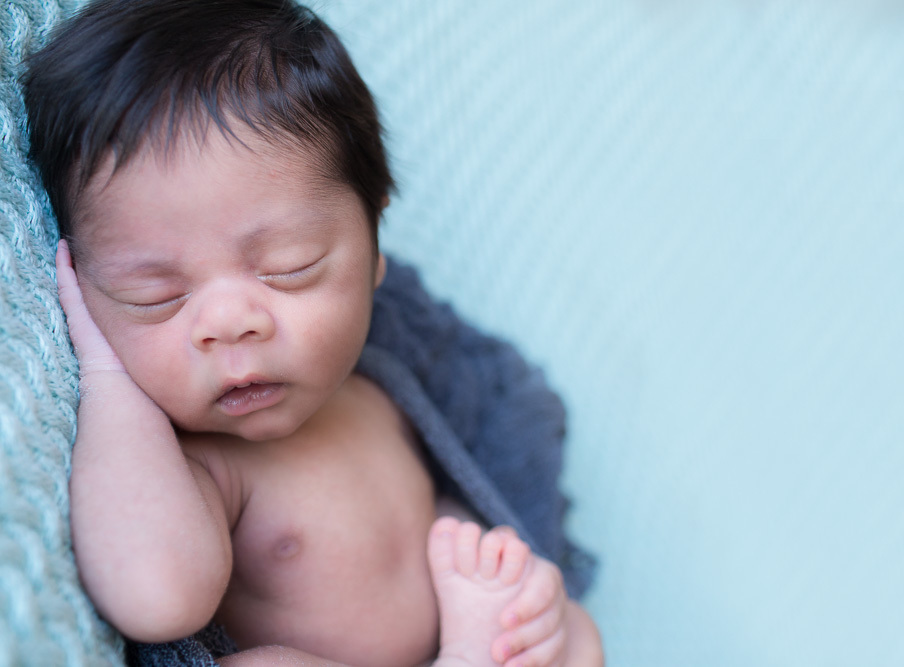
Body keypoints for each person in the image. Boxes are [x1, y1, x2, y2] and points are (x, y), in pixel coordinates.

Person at [21, 0, 603, 665]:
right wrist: (105, 373)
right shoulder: (200, 467)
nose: (228, 323)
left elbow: (460, 519)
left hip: (457, 643)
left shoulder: (385, 391)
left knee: (573, 627)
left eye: (287, 268)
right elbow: (156, 598)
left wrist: (515, 600)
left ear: (373, 244)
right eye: (154, 295)